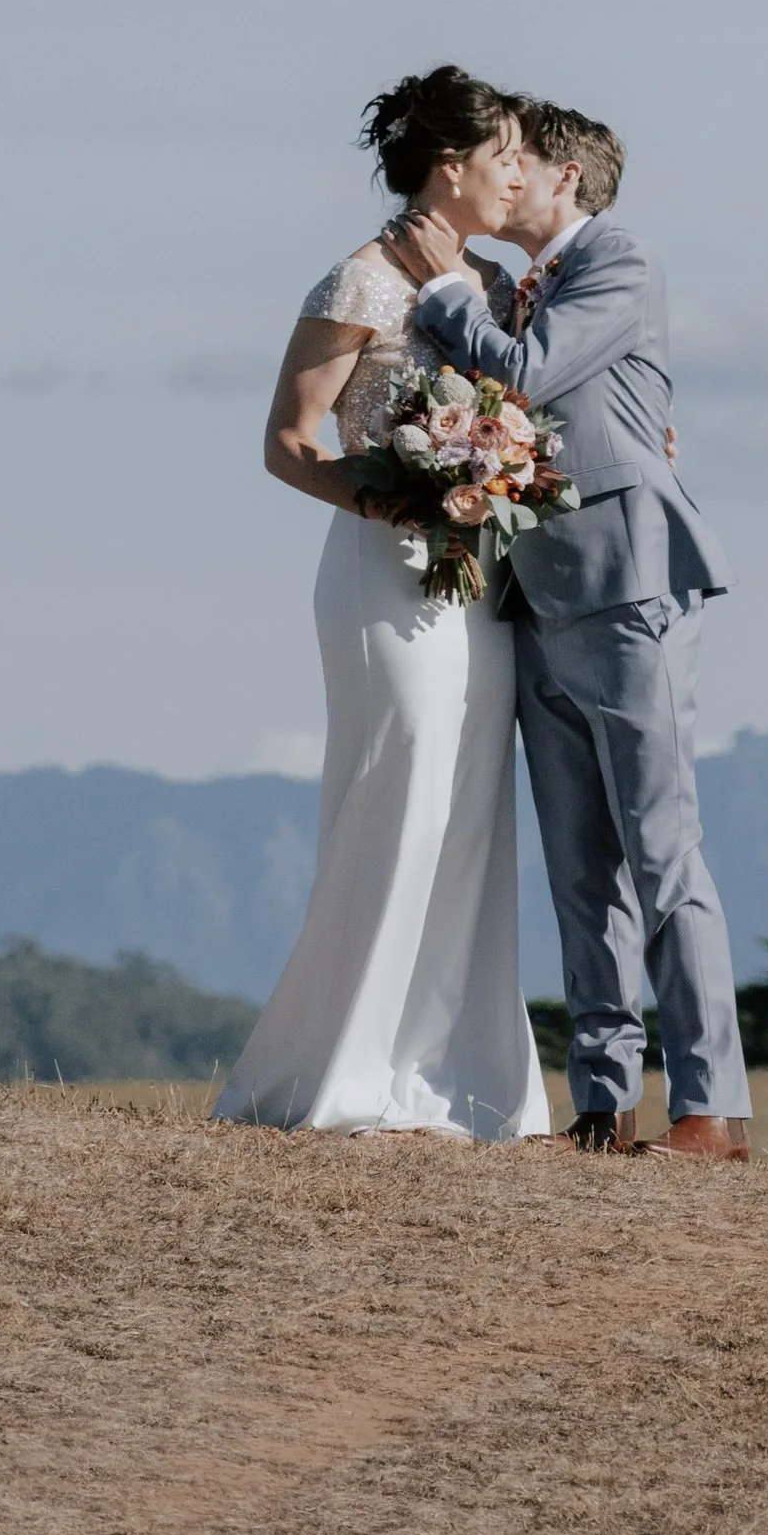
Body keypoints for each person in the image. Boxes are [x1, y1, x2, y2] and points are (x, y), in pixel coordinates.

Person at [211, 66, 552, 1141]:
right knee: (394, 798)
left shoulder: (495, 288)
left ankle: (460, 1078)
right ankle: (343, 1072)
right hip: (382, 571)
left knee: (470, 813)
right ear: (450, 165)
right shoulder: (356, 280)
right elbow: (288, 439)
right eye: (503, 157)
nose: (517, 176)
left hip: (480, 579)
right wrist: (395, 493)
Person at [413, 97, 752, 1159]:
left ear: (565, 175)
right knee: (577, 869)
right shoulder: (516, 287)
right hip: (535, 597)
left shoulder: (617, 256)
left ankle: (710, 1108)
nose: (500, 175)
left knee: (661, 851)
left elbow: (520, 376)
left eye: (518, 161)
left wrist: (440, 288)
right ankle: (602, 1107)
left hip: (628, 581)